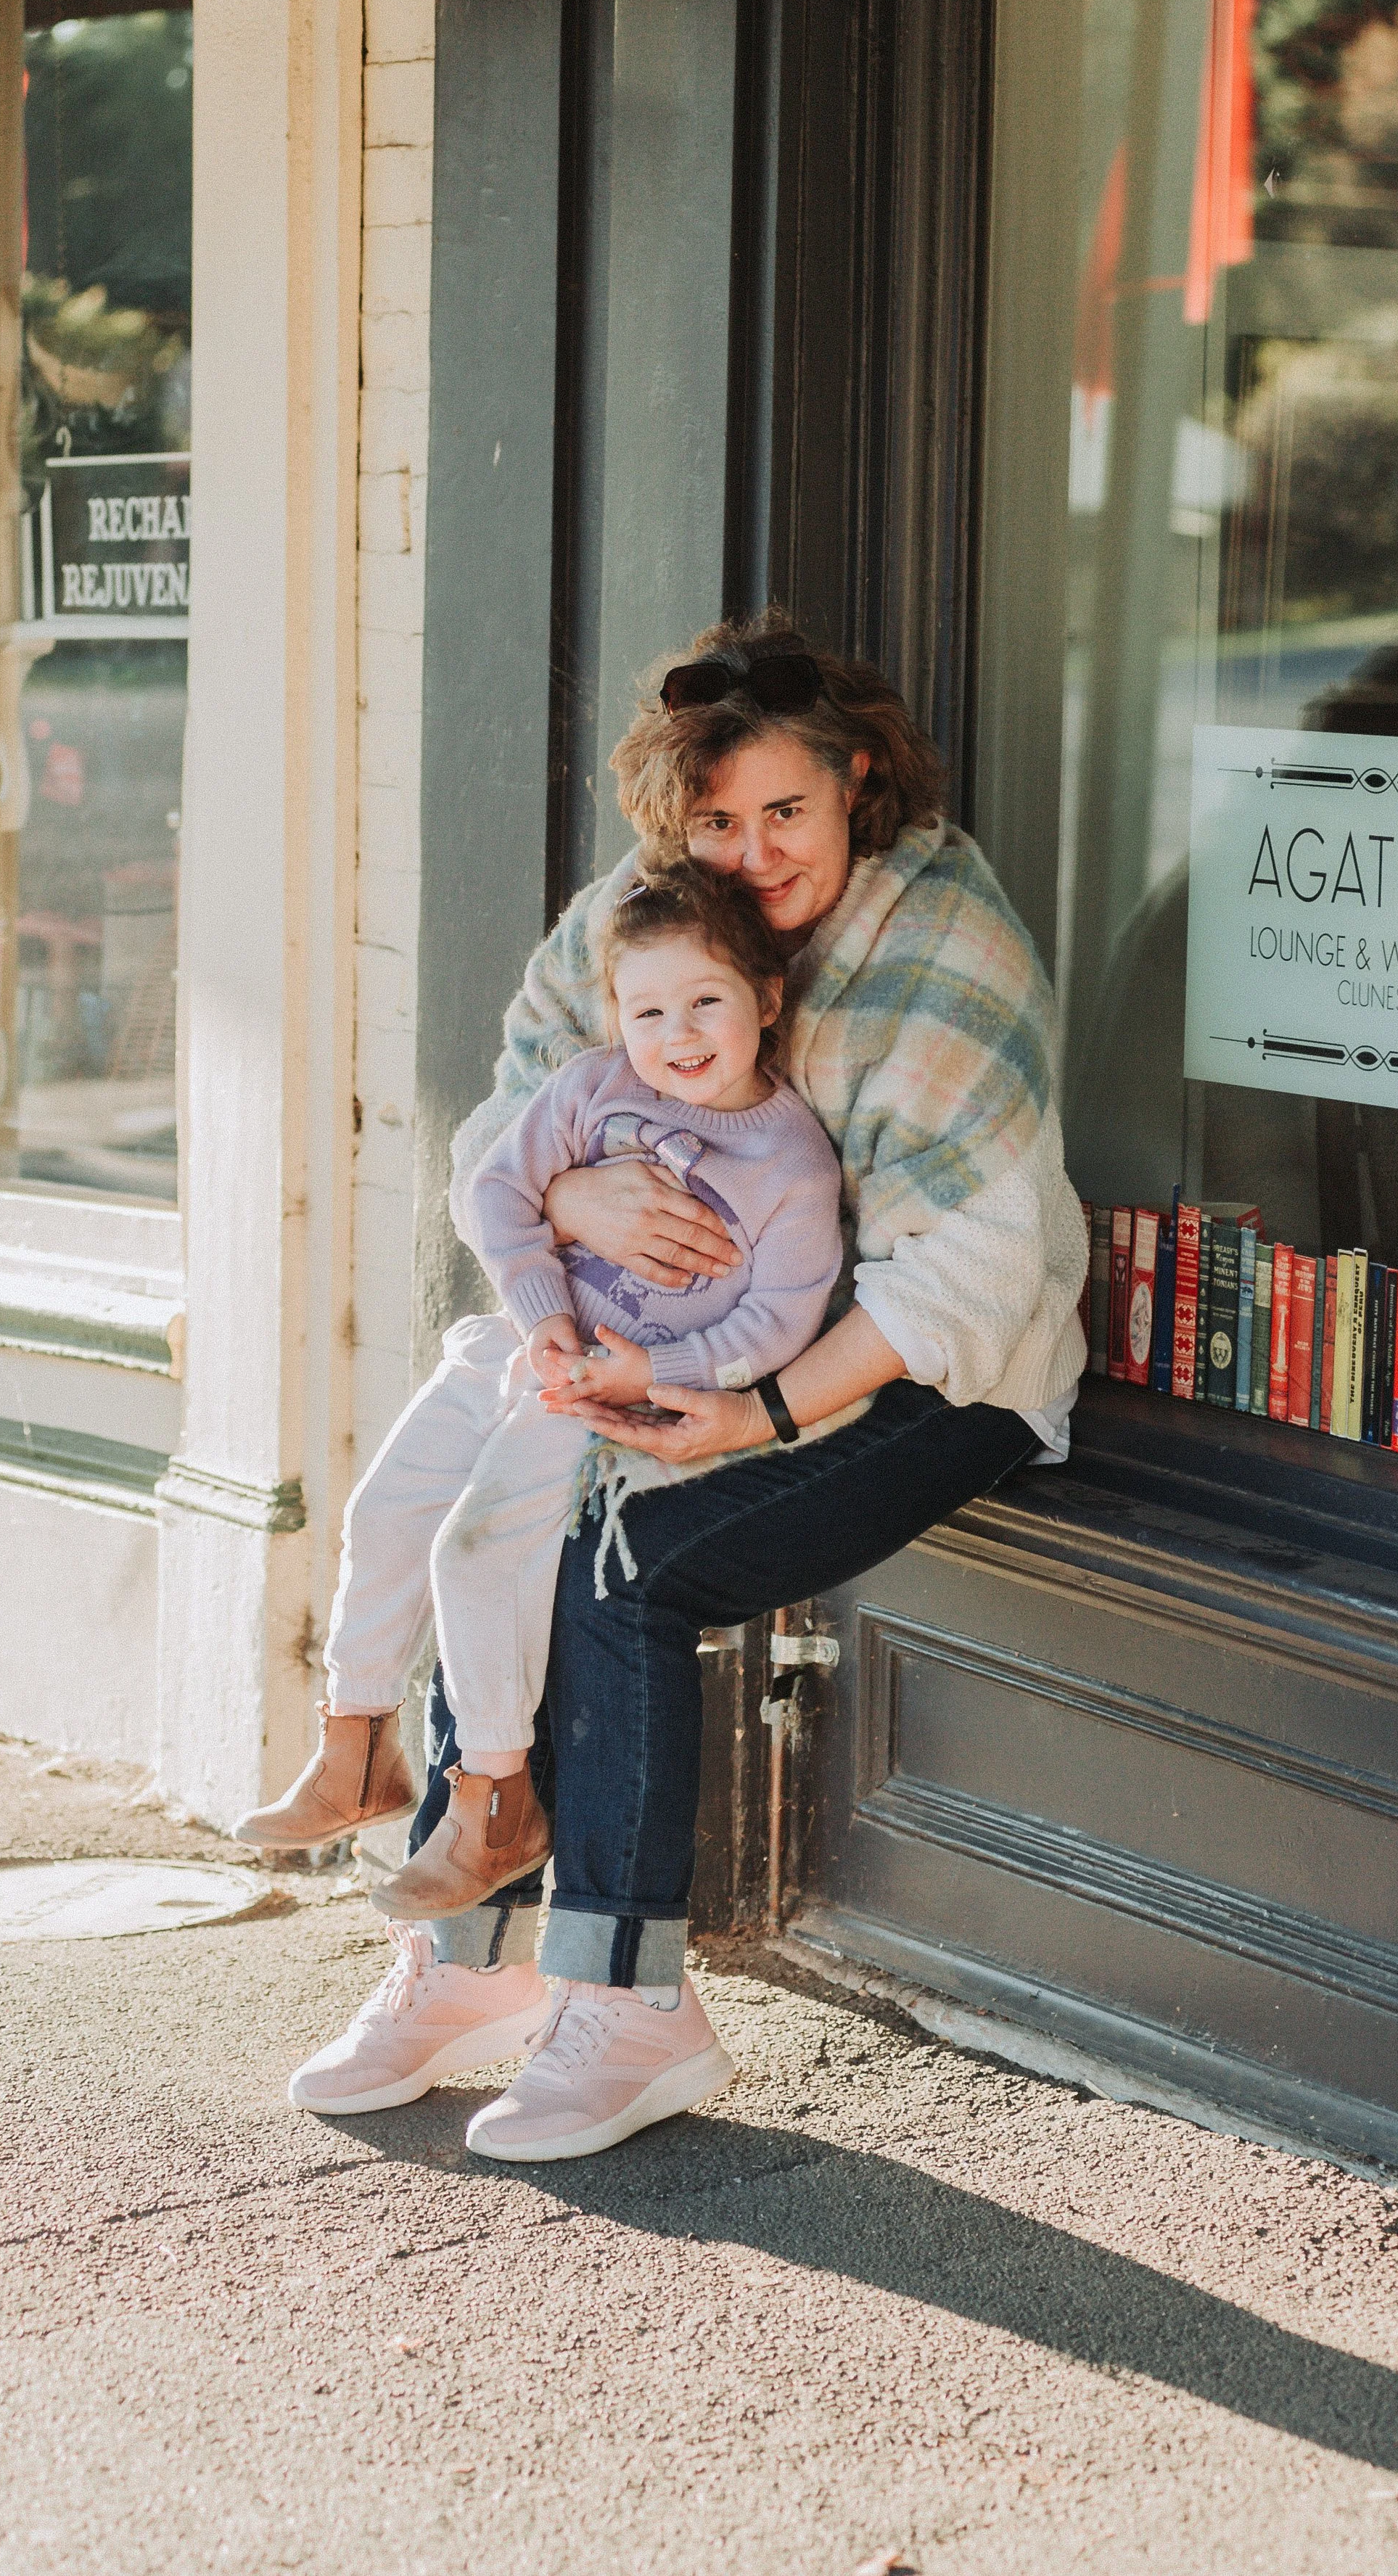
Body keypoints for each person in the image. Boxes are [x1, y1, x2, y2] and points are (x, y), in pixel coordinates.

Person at [283, 614, 1088, 2159]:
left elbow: (968, 1277)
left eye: (785, 810)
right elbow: (505, 1126)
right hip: (683, 1338)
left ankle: (635, 2004)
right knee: (509, 1498)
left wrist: (765, 1413)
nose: (753, 850)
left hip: (926, 1369)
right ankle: (472, 1962)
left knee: (627, 1567)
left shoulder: (942, 946)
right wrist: (573, 1203)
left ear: (856, 780)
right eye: (715, 820)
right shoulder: (655, 923)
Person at [234, 861, 844, 1941]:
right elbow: (496, 1192)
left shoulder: (789, 1161)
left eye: (707, 1001)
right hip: (524, 1347)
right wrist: (540, 1313)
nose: (679, 1033)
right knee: (384, 1513)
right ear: (616, 1015)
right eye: (648, 1009)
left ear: (768, 1000)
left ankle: (495, 1801)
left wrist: (648, 1376)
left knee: (475, 1559)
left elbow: (782, 1321)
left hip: (599, 1398)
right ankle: (355, 1743)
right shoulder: (593, 1089)